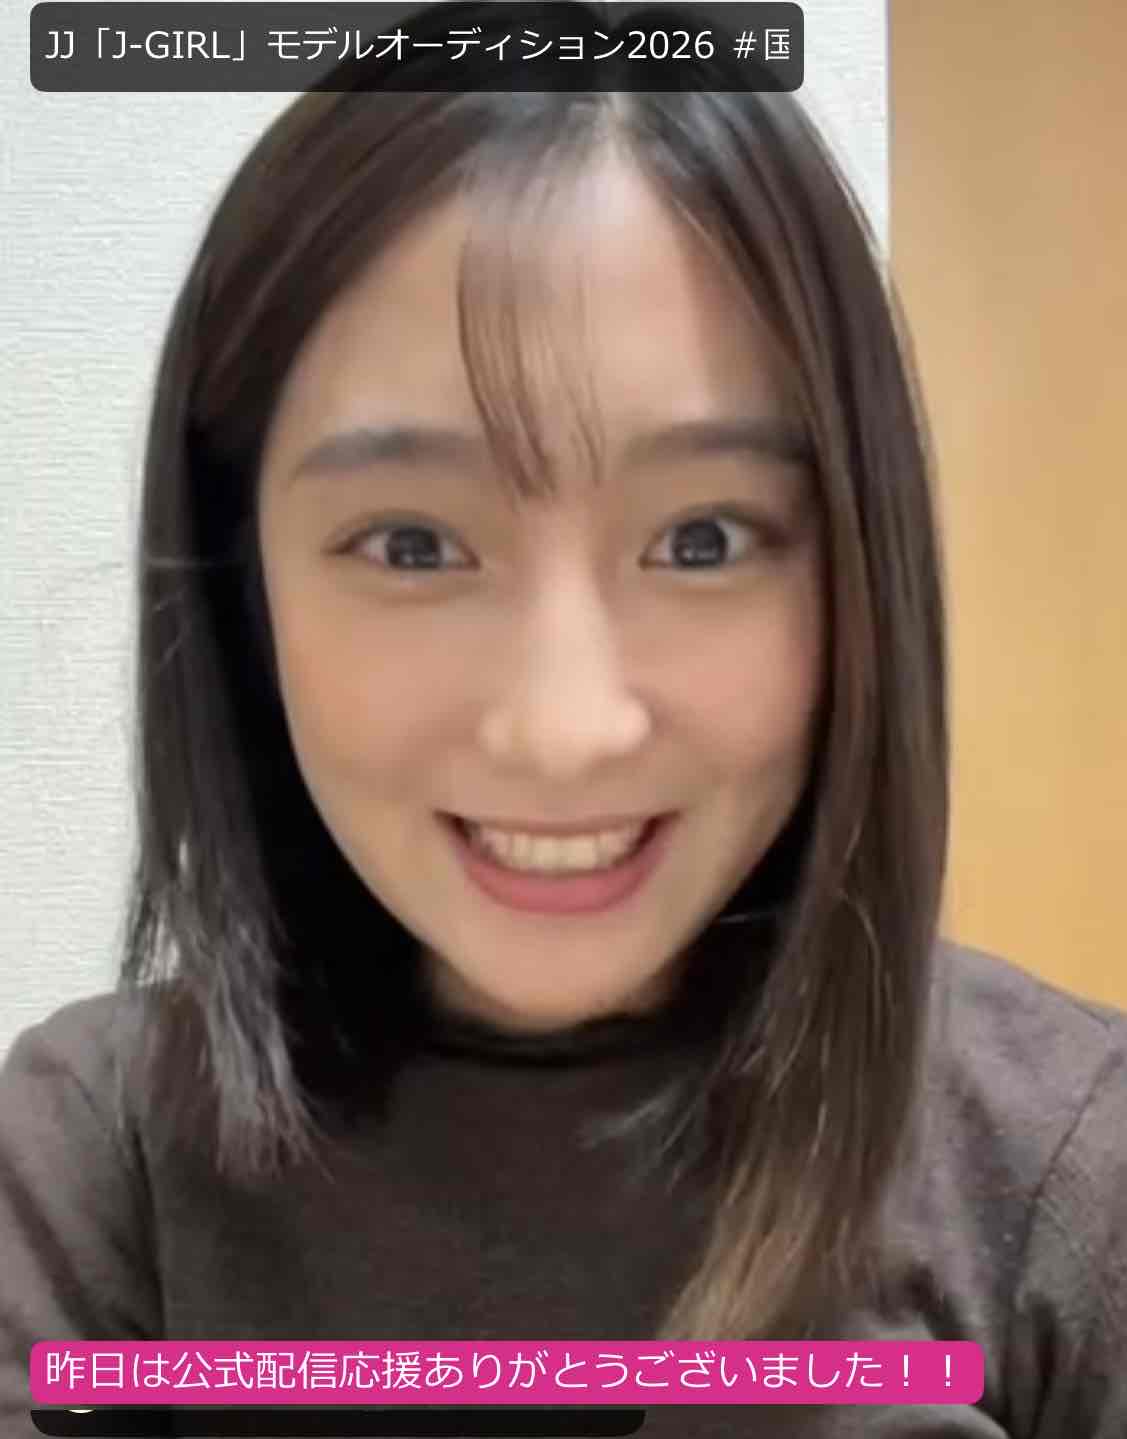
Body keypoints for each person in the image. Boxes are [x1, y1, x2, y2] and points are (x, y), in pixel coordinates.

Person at [2, 4, 1125, 1436]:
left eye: (704, 539)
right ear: (242, 583)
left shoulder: (1071, 1167)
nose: (563, 730)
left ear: (856, 567)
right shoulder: (96, 1162)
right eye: (413, 545)